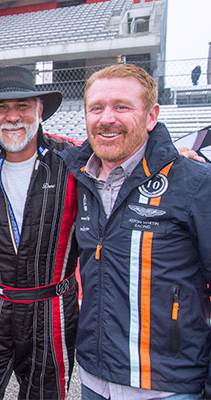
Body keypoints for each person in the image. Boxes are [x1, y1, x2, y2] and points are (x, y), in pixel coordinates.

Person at [59, 63, 211, 399]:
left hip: (166, 387)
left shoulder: (195, 182)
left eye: (122, 106)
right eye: (96, 108)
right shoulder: (78, 178)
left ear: (152, 115)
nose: (106, 118)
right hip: (94, 381)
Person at [0, 66, 79, 399]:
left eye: (22, 105)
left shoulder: (74, 159)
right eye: (0, 107)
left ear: (39, 109)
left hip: (53, 311)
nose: (12, 117)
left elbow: (128, 156)